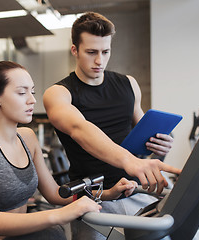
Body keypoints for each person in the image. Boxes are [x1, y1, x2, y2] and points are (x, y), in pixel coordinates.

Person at [0, 61, 138, 240]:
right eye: (21, 92)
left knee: (52, 234)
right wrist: (59, 215)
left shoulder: (27, 137)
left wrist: (106, 193)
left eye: (32, 92)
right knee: (52, 233)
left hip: (16, 238)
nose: (32, 100)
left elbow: (54, 193)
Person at [43, 12, 182, 239]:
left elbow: (142, 128)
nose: (100, 61)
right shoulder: (59, 94)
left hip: (135, 189)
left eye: (105, 52)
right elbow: (80, 129)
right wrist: (130, 161)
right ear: (75, 50)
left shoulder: (128, 84)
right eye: (91, 52)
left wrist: (161, 143)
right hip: (95, 198)